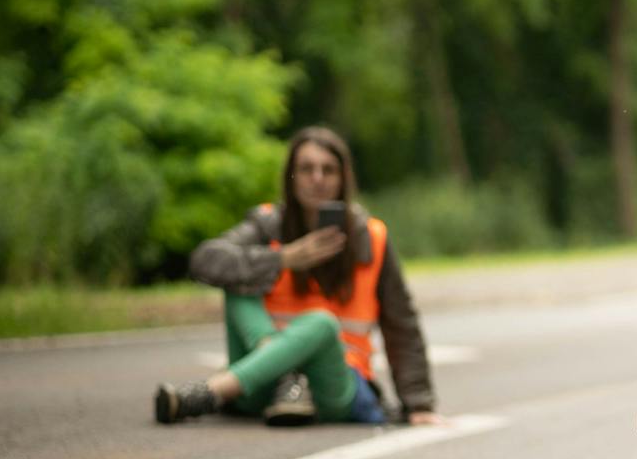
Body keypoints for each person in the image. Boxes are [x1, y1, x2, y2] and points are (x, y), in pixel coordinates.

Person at [154, 126, 441, 428]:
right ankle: (279, 369)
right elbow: (205, 261)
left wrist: (418, 403)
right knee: (236, 278)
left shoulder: (372, 236)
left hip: (337, 381)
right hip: (266, 381)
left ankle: (208, 393)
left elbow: (401, 322)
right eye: (306, 169)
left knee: (321, 323)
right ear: (291, 176)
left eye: (328, 170)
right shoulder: (267, 224)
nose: (317, 178)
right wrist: (283, 258)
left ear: (343, 179)